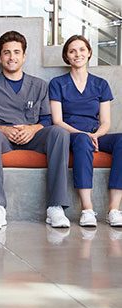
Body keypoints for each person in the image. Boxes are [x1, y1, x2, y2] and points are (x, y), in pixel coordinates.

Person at [0, 30, 70, 229]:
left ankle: (55, 207)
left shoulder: (39, 85)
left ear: (24, 56)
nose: (12, 57)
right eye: (7, 52)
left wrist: (32, 129)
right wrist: (3, 129)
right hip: (2, 139)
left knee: (59, 133)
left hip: (34, 137)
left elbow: (46, 119)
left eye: (16, 52)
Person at [49, 35, 122, 227]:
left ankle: (114, 209)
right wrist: (82, 135)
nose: (77, 54)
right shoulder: (57, 83)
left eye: (82, 49)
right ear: (66, 56)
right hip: (71, 134)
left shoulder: (101, 84)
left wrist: (96, 135)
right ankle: (87, 209)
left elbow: (105, 121)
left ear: (89, 52)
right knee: (82, 140)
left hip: (95, 134)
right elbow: (57, 120)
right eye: (72, 51)